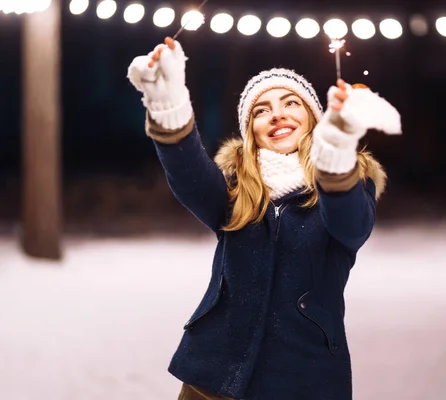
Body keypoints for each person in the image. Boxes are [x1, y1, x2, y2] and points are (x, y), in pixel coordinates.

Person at [127, 37, 401, 400]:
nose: (278, 114)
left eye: (291, 103)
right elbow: (189, 175)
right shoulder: (236, 191)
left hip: (304, 379)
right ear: (250, 131)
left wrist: (335, 155)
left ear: (313, 118)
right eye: (261, 110)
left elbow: (352, 226)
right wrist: (169, 105)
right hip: (213, 377)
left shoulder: (345, 185)